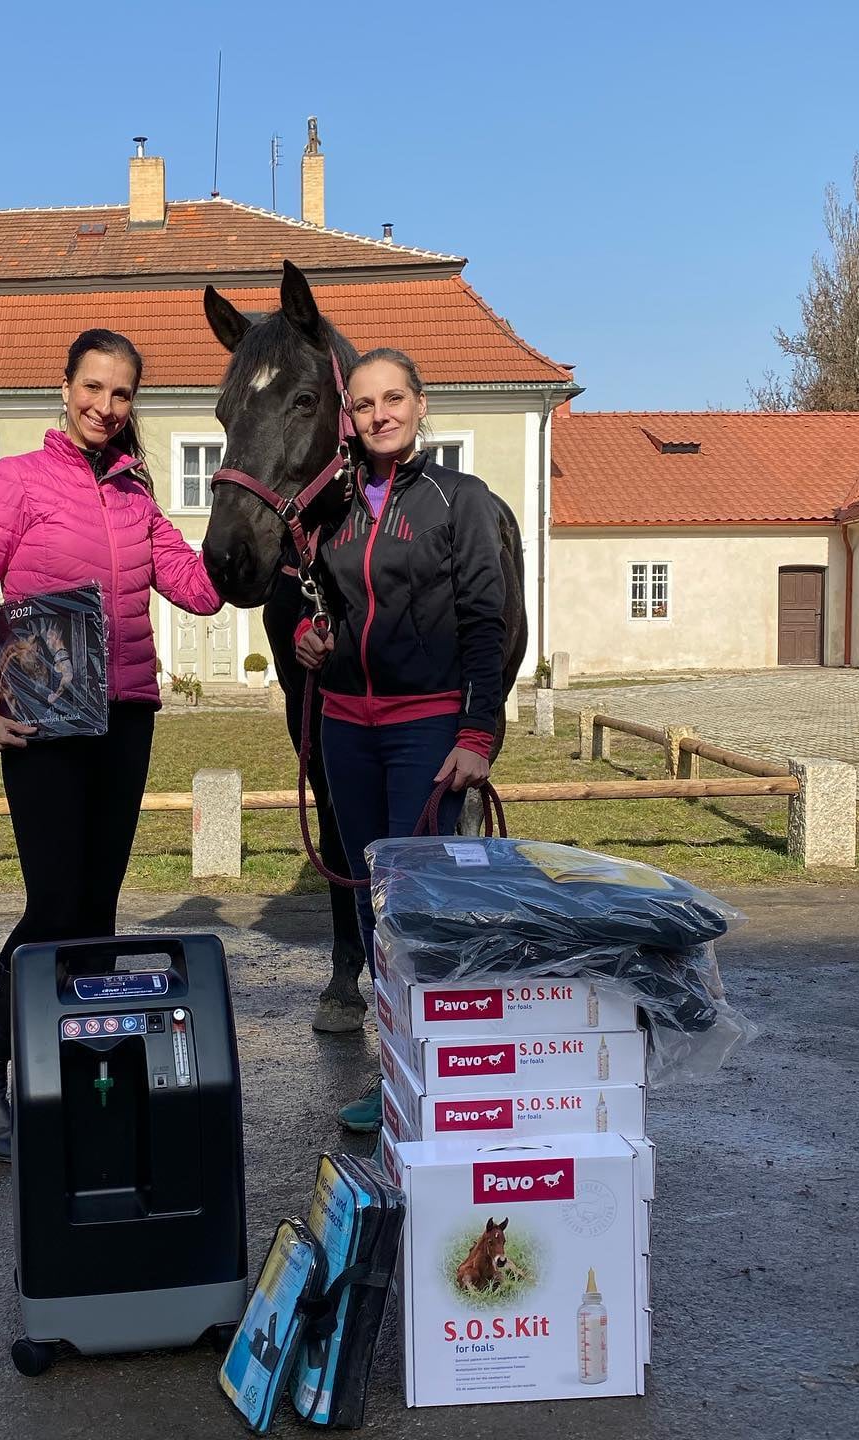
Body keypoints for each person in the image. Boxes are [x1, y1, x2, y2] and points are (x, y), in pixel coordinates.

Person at [0, 329, 222, 1161]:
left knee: (95, 915)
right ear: (65, 388)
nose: (105, 406)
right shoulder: (16, 483)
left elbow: (199, 592)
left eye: (122, 393)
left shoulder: (139, 498)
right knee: (55, 908)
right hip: (43, 725)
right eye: (92, 388)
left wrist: (263, 533)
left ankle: (72, 1076)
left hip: (126, 718)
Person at [295, 347, 508, 1133]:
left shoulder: (463, 501)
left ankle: (446, 1077)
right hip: (346, 727)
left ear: (421, 405)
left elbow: (489, 625)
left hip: (427, 728)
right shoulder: (329, 511)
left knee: (419, 908)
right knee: (363, 903)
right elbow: (313, 604)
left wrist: (478, 732)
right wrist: (307, 639)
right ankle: (394, 1079)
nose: (378, 414)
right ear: (347, 418)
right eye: (362, 404)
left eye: (393, 399)